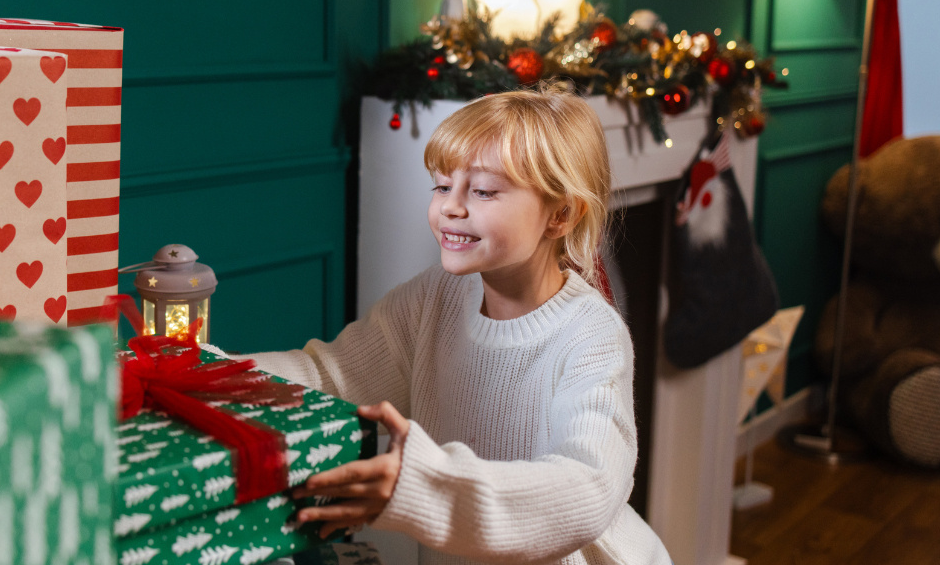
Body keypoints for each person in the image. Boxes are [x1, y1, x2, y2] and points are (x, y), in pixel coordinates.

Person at [244, 85, 671, 564]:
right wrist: (211, 374)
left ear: (561, 214)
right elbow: (331, 374)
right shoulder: (435, 297)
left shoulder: (592, 337)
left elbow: (588, 485)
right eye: (443, 186)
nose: (451, 206)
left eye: (484, 191)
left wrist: (426, 487)